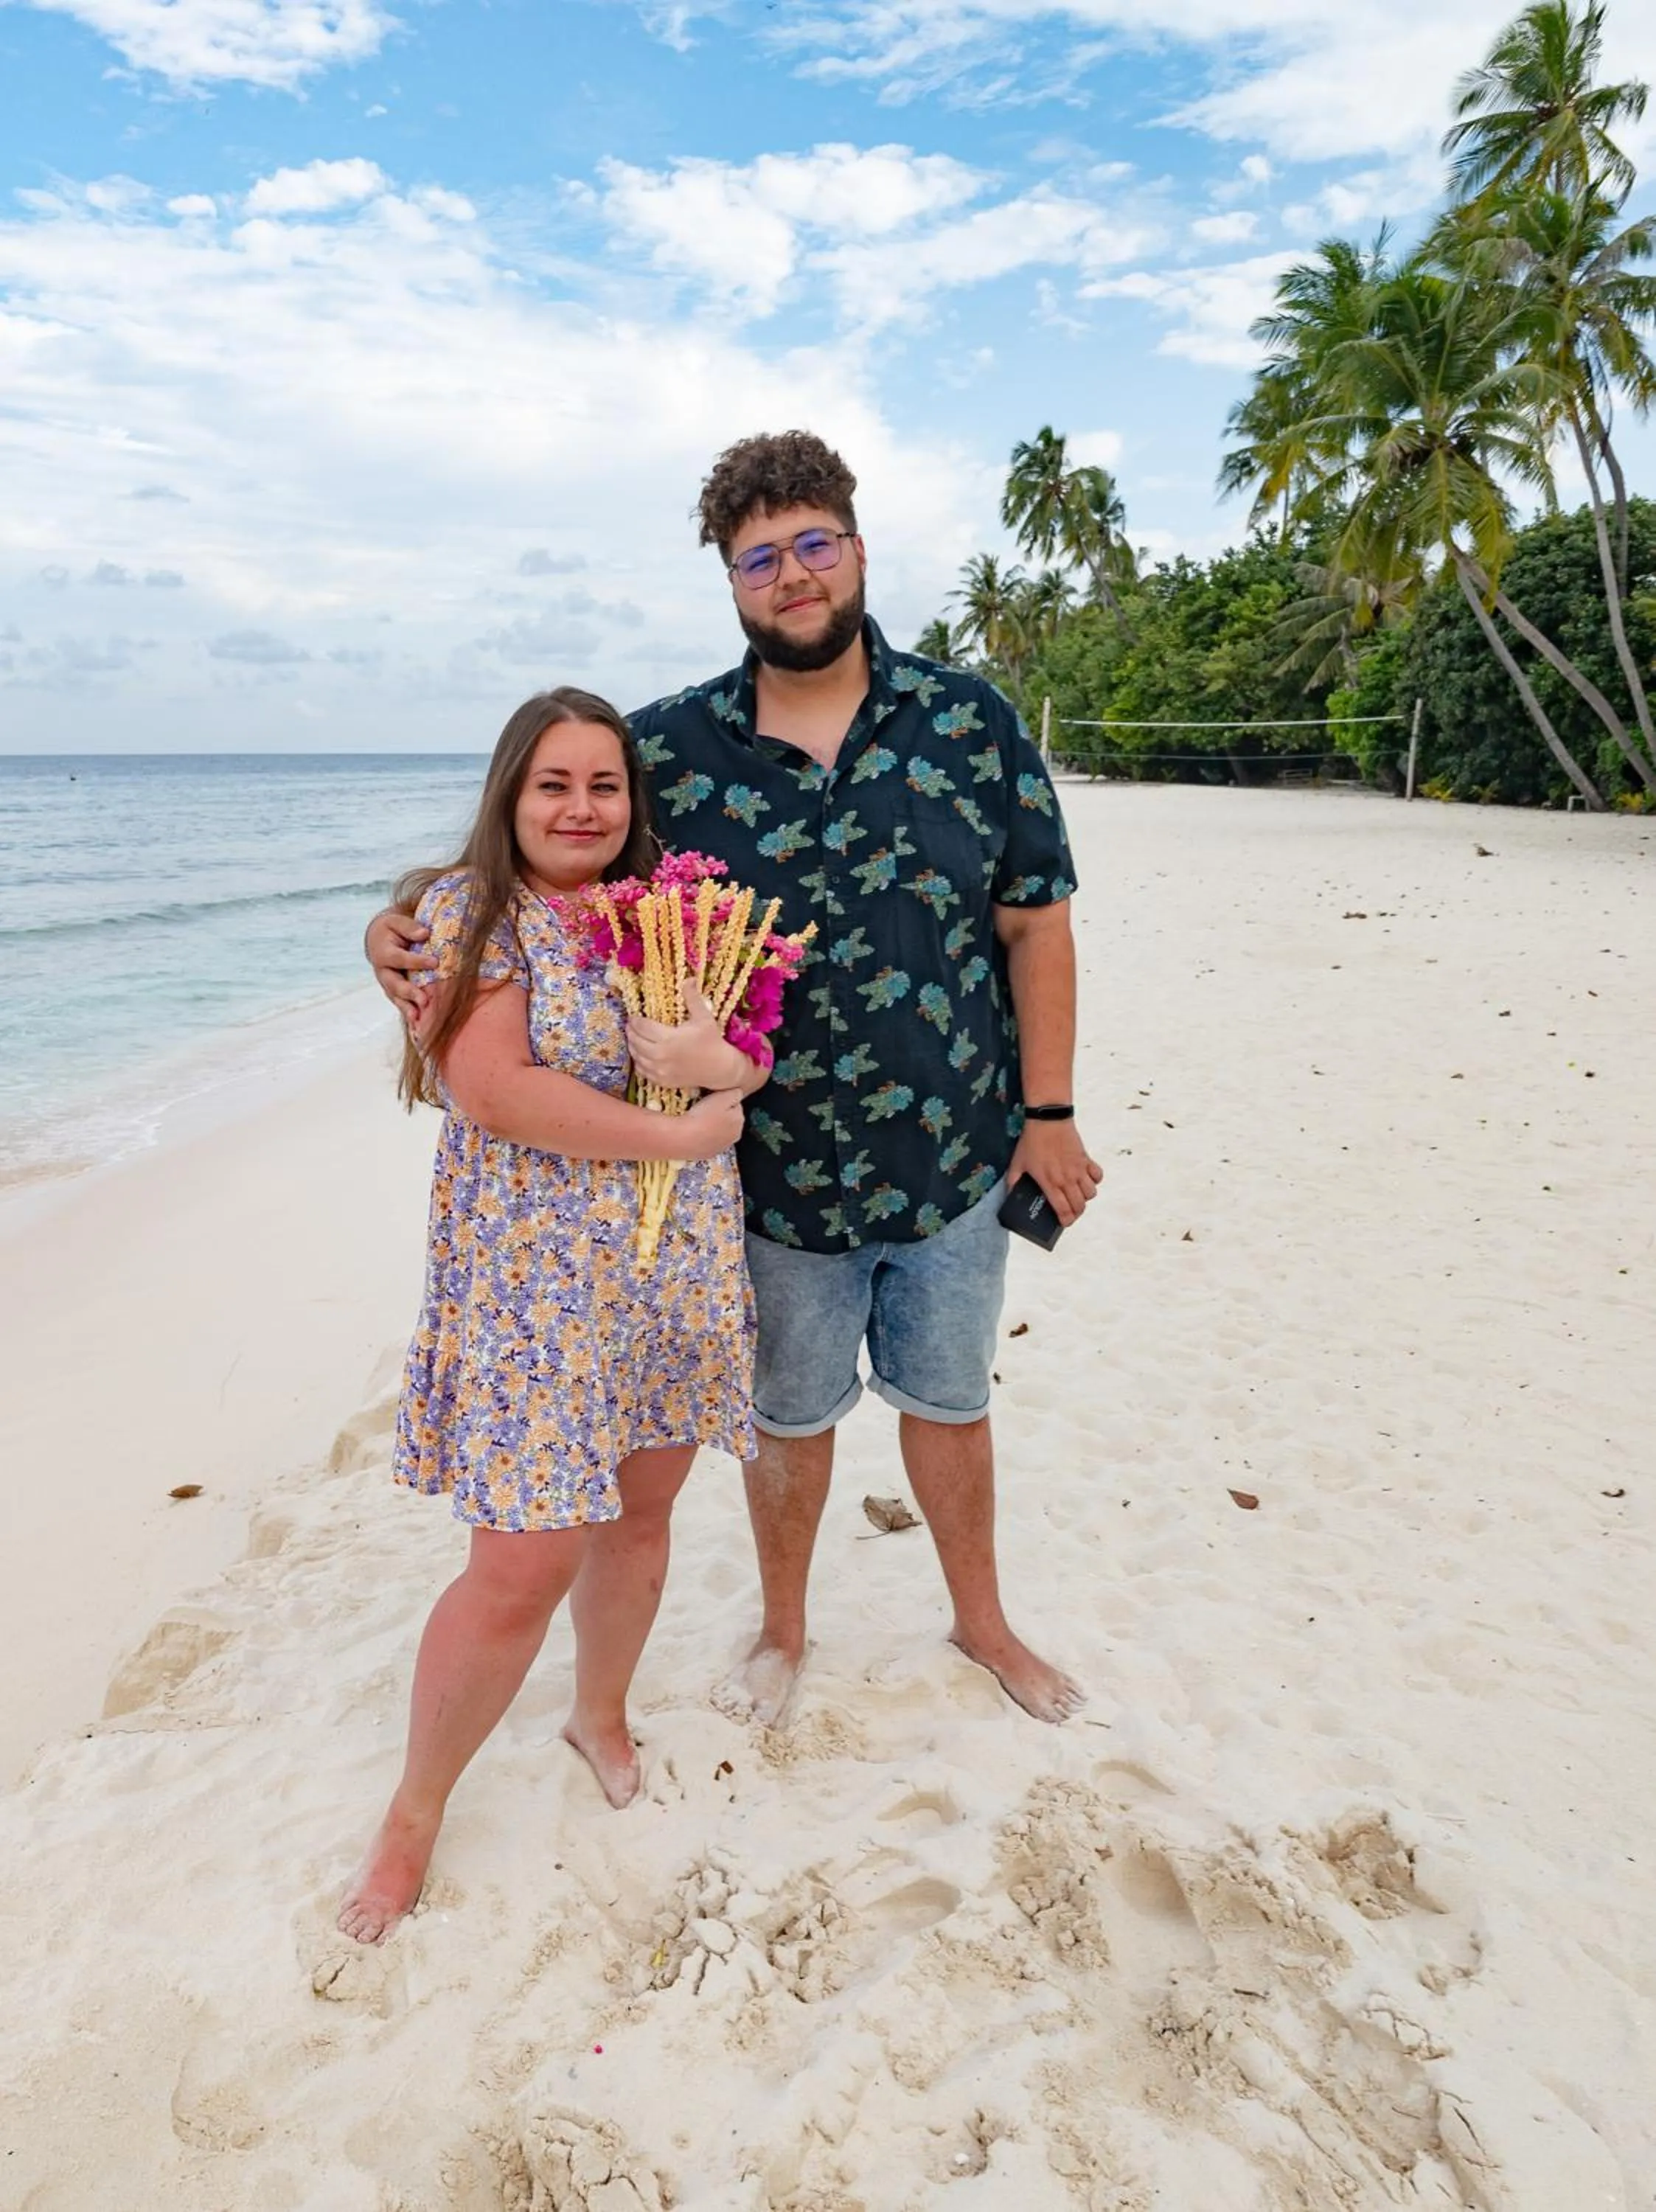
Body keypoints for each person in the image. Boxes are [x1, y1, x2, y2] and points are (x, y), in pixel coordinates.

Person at [367, 431, 1101, 1732]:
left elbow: (1034, 926)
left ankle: (982, 1623)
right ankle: (781, 1630)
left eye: (814, 544)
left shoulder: (968, 722)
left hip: (955, 1153)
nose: (792, 574)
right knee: (789, 1422)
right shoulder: (669, 751)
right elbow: (537, 857)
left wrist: (1049, 1115)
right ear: (730, 579)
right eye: (760, 557)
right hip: (759, 1172)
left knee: (951, 1406)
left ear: (856, 549)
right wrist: (396, 926)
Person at [339, 686, 764, 1947]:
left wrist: (725, 1069)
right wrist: (677, 1132)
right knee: (521, 1559)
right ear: (510, 796)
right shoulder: (469, 913)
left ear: (633, 801)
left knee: (640, 1516)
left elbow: (753, 1046)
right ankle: (414, 1812)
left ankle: (600, 1712)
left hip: (670, 1266)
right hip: (537, 1284)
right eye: (553, 785)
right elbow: (495, 1090)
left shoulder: (666, 910)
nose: (581, 809)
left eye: (603, 786)